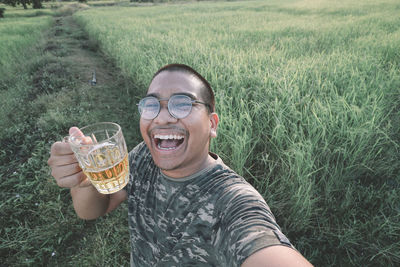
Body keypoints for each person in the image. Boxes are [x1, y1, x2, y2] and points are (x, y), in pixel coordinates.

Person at [48, 64, 313, 266]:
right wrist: (83, 181)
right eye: (151, 105)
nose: (162, 118)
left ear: (212, 124)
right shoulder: (143, 157)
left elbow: (263, 245)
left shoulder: (232, 202)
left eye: (182, 104)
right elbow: (94, 209)